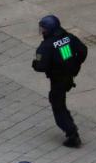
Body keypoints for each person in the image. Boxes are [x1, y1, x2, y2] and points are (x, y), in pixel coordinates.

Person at [31, 15, 88, 148]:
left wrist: (36, 63)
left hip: (58, 79)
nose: (42, 32)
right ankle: (71, 129)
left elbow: (40, 66)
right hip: (68, 75)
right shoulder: (68, 37)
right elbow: (82, 51)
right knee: (59, 101)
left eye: (43, 29)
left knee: (58, 105)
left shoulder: (46, 46)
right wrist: (75, 64)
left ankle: (72, 134)